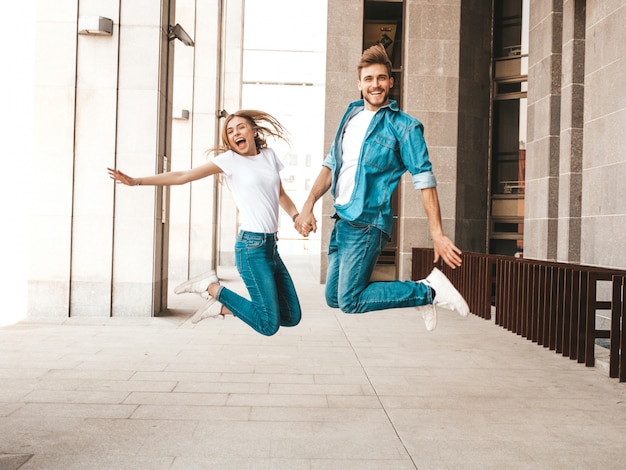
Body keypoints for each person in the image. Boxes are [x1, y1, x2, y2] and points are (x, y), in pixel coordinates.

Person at [295, 44, 469, 331]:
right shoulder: (350, 115)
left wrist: (437, 233)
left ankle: (428, 291)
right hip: (341, 220)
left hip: (367, 222)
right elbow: (331, 165)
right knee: (334, 298)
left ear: (390, 81)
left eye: (380, 78)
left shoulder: (404, 127)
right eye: (368, 79)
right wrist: (308, 205)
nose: (375, 85)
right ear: (359, 84)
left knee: (350, 300)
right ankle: (422, 296)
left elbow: (424, 179)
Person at [108, 110, 302, 336]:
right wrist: (137, 181)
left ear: (253, 130)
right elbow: (183, 176)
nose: (235, 133)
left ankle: (218, 306)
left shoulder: (269, 155)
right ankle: (211, 288)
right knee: (268, 325)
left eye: (240, 127)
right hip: (251, 249)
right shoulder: (230, 160)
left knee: (291, 316)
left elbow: (280, 194)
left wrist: (297, 216)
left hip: (271, 247)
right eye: (230, 131)